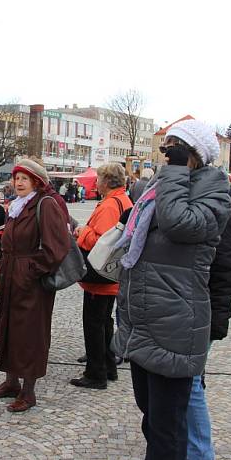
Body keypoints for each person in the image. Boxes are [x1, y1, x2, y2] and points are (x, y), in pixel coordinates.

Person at [112, 119, 231, 460]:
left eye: (177, 149)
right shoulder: (156, 190)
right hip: (141, 320)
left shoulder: (214, 191)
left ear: (195, 154)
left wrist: (176, 171)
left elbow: (180, 223)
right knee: (151, 418)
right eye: (167, 148)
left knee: (167, 431)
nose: (168, 156)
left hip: (175, 323)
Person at [0, 158, 70, 412]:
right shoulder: (16, 207)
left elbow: (57, 248)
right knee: (8, 327)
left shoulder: (46, 205)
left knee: (30, 334)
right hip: (10, 276)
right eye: (16, 178)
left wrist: (30, 271)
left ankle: (28, 391)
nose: (18, 182)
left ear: (37, 182)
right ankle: (11, 381)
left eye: (25, 178)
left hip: (31, 282)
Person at [186, 209, 231, 460]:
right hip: (180, 315)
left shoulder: (220, 219)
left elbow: (228, 274)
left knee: (190, 383)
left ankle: (199, 453)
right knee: (189, 381)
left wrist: (215, 322)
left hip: (202, 316)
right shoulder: (181, 214)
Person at [70, 162, 133, 390]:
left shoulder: (109, 205)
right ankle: (108, 367)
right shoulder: (123, 200)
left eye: (98, 179)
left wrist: (82, 231)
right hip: (113, 276)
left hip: (100, 277)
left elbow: (101, 242)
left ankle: (96, 373)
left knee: (94, 325)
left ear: (106, 181)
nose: (96, 182)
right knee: (105, 323)